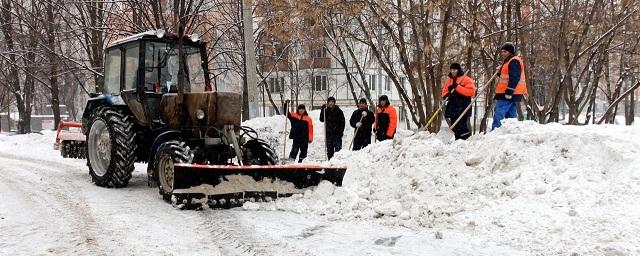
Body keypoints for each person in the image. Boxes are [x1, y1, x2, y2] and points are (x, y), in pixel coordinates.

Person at [492, 42, 528, 130]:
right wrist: (500, 72)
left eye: (505, 52)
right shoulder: (509, 61)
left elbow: (515, 77)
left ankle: (494, 131)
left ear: (510, 52)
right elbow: (507, 76)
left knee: (499, 113)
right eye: (502, 52)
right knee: (510, 116)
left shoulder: (514, 61)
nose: (503, 54)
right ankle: (511, 131)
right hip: (511, 93)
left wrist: (509, 91)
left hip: (507, 93)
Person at [441, 63, 476, 140]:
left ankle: (464, 140)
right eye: (451, 69)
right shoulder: (448, 81)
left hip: (463, 106)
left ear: (458, 70)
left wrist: (457, 87)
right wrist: (446, 95)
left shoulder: (466, 79)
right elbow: (444, 91)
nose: (453, 71)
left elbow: (471, 92)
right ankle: (458, 141)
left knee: (462, 126)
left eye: (455, 69)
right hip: (453, 107)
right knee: (454, 126)